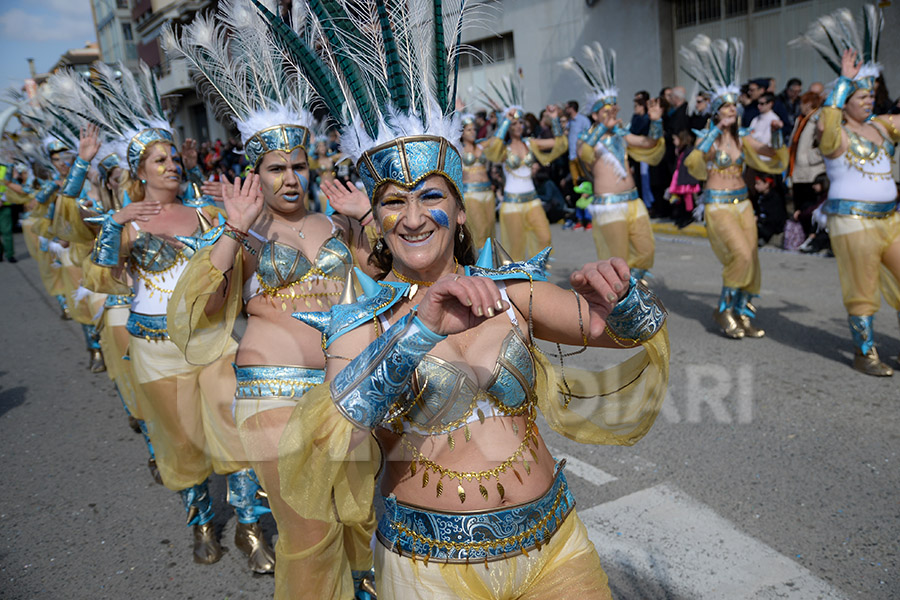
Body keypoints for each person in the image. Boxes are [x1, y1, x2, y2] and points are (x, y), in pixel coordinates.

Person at [260, 5, 669, 598]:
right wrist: (419, 328)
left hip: (554, 546)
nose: (413, 216)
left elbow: (628, 332)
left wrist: (623, 294)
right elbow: (337, 430)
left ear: (457, 207)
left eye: (430, 196)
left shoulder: (512, 294)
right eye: (394, 201)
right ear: (374, 217)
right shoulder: (362, 322)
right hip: (431, 570)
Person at [163, 5, 377, 591]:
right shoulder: (244, 234)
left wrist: (364, 223)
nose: (289, 177)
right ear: (255, 172)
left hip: (343, 387)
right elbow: (203, 313)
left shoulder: (336, 226)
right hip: (272, 393)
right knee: (308, 532)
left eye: (298, 166)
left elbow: (379, 292)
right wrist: (233, 232)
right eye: (276, 166)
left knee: (359, 521)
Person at [79, 60, 269, 567]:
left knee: (236, 427)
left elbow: (242, 265)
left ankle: (249, 528)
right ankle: (202, 521)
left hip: (209, 340)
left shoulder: (205, 213)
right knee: (180, 441)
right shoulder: (128, 220)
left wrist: (240, 222)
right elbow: (101, 272)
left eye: (171, 156)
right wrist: (115, 222)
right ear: (139, 170)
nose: (169, 164)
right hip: (154, 349)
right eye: (157, 159)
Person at [795, 5, 900, 375]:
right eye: (861, 96)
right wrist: (842, 83)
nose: (869, 99)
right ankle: (865, 352)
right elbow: (828, 119)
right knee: (863, 287)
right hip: (852, 222)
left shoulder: (883, 128)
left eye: (871, 94)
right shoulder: (834, 135)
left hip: (891, 219)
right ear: (845, 103)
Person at [682, 35, 789, 339]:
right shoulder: (711, 139)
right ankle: (723, 309)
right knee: (740, 255)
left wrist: (779, 135)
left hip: (743, 203)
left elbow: (770, 155)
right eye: (724, 109)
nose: (732, 112)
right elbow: (694, 162)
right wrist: (716, 127)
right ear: (716, 111)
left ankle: (742, 313)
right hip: (718, 205)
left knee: (751, 257)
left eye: (733, 108)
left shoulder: (744, 136)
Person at [563, 43, 666, 283]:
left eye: (613, 110)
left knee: (645, 251)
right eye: (605, 111)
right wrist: (602, 128)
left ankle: (631, 292)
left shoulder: (621, 135)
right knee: (616, 261)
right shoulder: (587, 139)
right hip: (608, 207)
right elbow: (584, 154)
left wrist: (656, 121)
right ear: (596, 115)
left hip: (633, 201)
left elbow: (649, 143)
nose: (611, 114)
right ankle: (619, 308)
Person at [484, 99, 568, 262]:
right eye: (514, 124)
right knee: (515, 248)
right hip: (512, 204)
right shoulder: (502, 148)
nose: (518, 126)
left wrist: (555, 119)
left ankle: (537, 275)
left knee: (544, 237)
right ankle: (519, 282)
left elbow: (559, 144)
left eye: (520, 123)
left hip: (532, 200)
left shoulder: (530, 143)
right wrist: (506, 120)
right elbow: (491, 149)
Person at [788, 91, 826, 238]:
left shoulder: (818, 119)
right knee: (799, 205)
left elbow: (825, 144)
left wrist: (810, 157)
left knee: (809, 206)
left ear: (809, 104)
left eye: (802, 103)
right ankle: (802, 236)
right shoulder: (801, 120)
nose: (800, 106)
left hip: (811, 171)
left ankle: (812, 235)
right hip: (798, 169)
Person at [459, 114, 497, 249]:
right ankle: (482, 266)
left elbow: (497, 139)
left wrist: (505, 118)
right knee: (480, 229)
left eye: (474, 129)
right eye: (469, 130)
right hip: (471, 194)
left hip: (487, 192)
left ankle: (490, 263)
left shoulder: (481, 145)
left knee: (489, 230)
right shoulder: (458, 149)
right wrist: (457, 113)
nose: (473, 132)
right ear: (462, 132)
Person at [754, 174, 786, 246]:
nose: (755, 186)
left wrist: (759, 219)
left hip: (772, 225)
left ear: (767, 184)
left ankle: (763, 238)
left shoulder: (775, 198)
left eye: (758, 184)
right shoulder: (759, 196)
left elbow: (775, 218)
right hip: (762, 221)